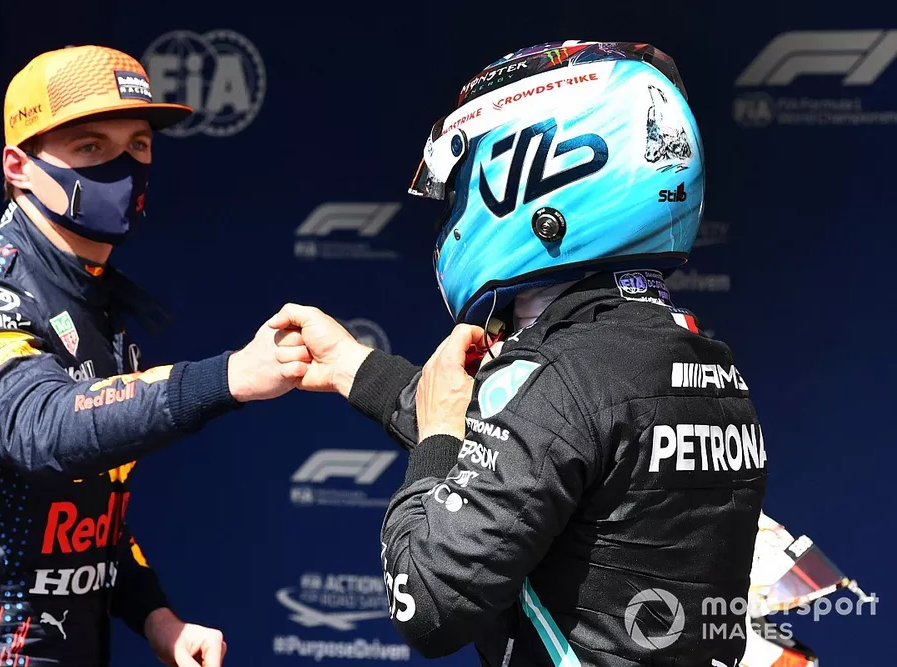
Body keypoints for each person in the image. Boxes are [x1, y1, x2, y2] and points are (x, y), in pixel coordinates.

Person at [271, 41, 768, 666]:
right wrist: (354, 368)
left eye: (463, 190)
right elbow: (530, 450)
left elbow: (427, 605)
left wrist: (435, 444)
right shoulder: (696, 359)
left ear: (537, 185)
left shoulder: (560, 375)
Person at [0, 45, 303, 667]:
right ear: (18, 166)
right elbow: (41, 427)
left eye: (138, 145)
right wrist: (229, 376)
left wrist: (159, 620)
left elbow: (87, 511)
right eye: (90, 147)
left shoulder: (93, 295)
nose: (122, 165)